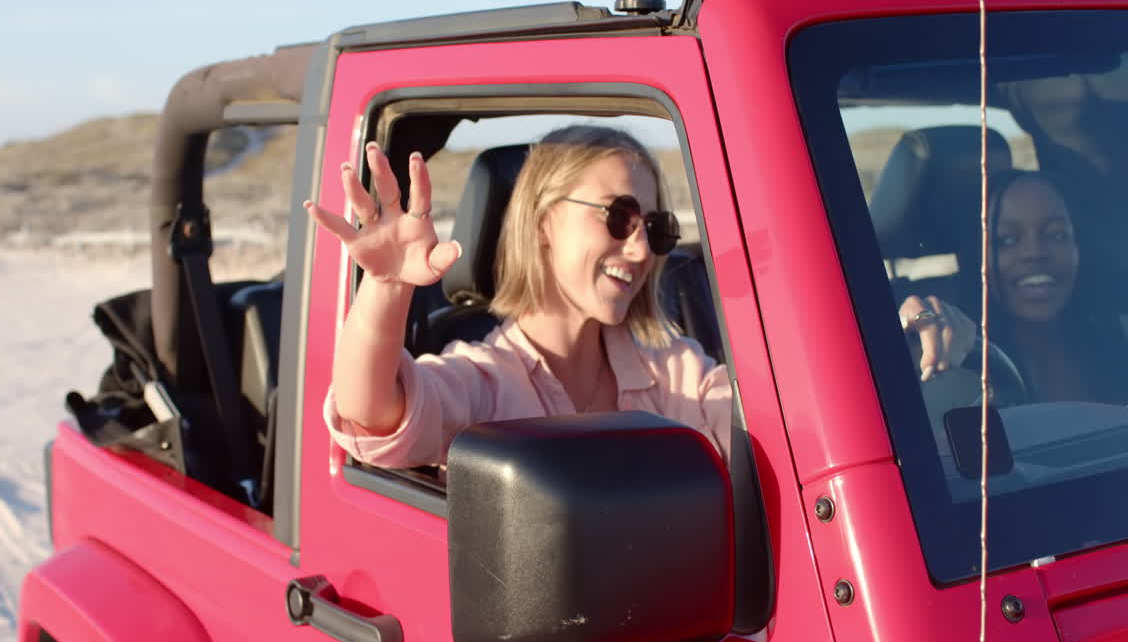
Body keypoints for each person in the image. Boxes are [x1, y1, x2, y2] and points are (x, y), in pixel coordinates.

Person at [305, 125, 967, 470]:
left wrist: (890, 346)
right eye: (618, 217)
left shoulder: (670, 368)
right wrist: (386, 291)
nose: (640, 249)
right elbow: (374, 417)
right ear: (542, 220)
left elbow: (774, 420)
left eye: (654, 228)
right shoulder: (485, 382)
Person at [969, 170, 1128, 403]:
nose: (1035, 253)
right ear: (978, 257)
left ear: (1080, 247)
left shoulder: (1121, 341)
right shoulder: (960, 371)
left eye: (1056, 235)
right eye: (1007, 240)